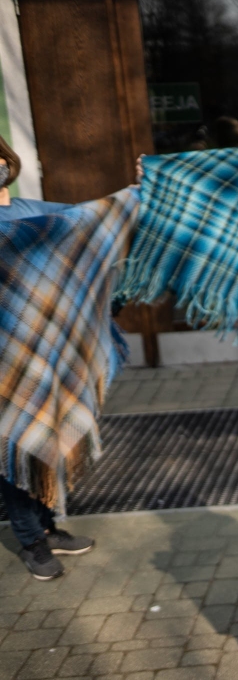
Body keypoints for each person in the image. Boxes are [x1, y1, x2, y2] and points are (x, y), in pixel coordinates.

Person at [0, 134, 95, 580]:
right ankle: (31, 542)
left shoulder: (34, 212)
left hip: (42, 357)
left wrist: (142, 186)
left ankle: (49, 527)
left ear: (6, 160)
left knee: (44, 446)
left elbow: (94, 219)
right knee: (12, 450)